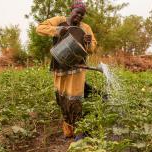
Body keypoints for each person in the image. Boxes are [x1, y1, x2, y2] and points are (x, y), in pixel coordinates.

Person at [36, 0, 97, 138]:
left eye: (82, 15)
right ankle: (68, 130)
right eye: (77, 13)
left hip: (77, 67)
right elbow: (39, 28)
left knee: (75, 99)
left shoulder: (85, 27)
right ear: (72, 10)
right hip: (59, 65)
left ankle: (79, 132)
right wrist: (57, 30)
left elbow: (93, 47)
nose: (79, 17)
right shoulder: (59, 20)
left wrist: (88, 42)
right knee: (62, 98)